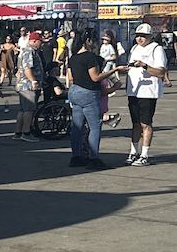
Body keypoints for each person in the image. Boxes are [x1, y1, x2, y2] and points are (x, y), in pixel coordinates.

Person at [65, 27, 115, 168]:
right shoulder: (90, 57)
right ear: (88, 41)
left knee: (77, 127)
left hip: (75, 91)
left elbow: (70, 77)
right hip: (88, 93)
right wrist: (114, 70)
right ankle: (94, 158)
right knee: (95, 127)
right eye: (93, 41)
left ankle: (76, 157)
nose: (94, 44)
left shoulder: (73, 58)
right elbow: (95, 77)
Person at [125, 22, 171, 166]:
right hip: (133, 91)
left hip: (148, 92)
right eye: (138, 36)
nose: (140, 39)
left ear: (150, 36)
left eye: (143, 36)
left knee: (146, 123)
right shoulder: (134, 48)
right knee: (135, 123)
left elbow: (161, 72)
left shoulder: (156, 49)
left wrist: (145, 65)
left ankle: (144, 154)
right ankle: (133, 151)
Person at [14, 30, 44, 139]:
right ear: (34, 41)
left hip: (24, 84)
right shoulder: (29, 51)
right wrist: (33, 81)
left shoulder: (28, 51)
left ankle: (18, 132)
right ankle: (26, 132)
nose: (41, 44)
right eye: (40, 42)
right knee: (29, 110)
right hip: (28, 85)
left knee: (23, 109)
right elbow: (27, 68)